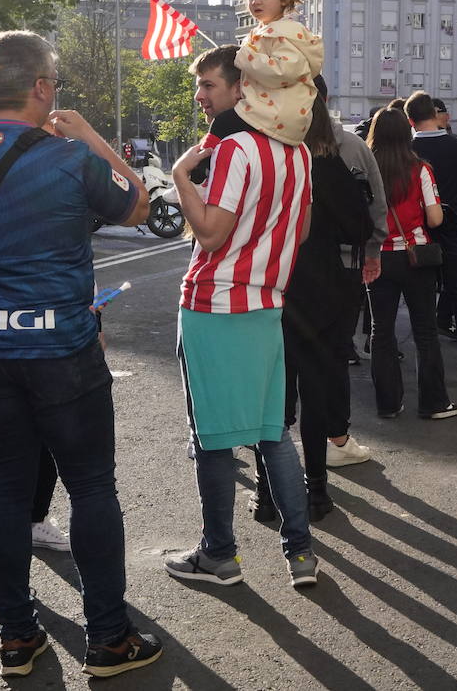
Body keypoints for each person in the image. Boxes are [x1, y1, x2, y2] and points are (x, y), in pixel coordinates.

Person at [0, 30, 161, 678]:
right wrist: (93, 139)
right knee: (91, 487)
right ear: (42, 88)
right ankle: (108, 638)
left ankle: (17, 638)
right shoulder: (69, 159)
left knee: (4, 489)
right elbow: (138, 206)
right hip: (63, 353)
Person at [165, 76, 320, 590]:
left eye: (209, 84)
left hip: (214, 303)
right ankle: (301, 555)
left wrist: (181, 177)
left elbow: (209, 232)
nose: (201, 96)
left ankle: (220, 555)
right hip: (266, 301)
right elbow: (299, 233)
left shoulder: (236, 149)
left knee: (210, 439)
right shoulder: (297, 153)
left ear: (244, 90)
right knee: (272, 432)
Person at [263, 95, 372, 523]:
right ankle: (316, 492)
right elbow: (360, 226)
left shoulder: (262, 163)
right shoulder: (324, 165)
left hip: (267, 287)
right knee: (314, 391)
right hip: (319, 290)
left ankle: (269, 494)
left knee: (271, 398)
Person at [366, 107, 457, 419]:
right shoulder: (420, 169)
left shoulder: (366, 170)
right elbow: (435, 218)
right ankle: (434, 402)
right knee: (424, 330)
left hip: (377, 257)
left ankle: (388, 403)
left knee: (381, 332)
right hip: (415, 256)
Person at [312, 76, 385, 467]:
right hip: (343, 266)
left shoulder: (276, 144)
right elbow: (376, 208)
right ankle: (337, 440)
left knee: (291, 358)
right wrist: (372, 253)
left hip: (288, 267)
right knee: (334, 353)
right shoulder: (354, 146)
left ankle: (276, 443)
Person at [406, 91, 457, 371]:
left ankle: (426, 360)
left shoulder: (408, 149)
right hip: (451, 229)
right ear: (436, 116)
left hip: (417, 233)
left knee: (422, 297)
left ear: (410, 120)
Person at [235, 0, 323, 147]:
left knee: (223, 123)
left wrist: (246, 58)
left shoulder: (284, 34)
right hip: (270, 110)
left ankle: (201, 164)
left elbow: (283, 71)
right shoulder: (264, 33)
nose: (255, 1)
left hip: (275, 114)